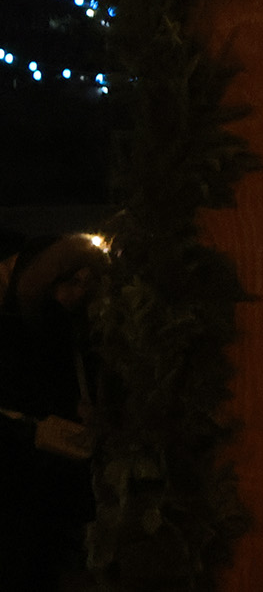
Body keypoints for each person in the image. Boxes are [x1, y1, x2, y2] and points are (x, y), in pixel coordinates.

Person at [0, 233, 107, 591]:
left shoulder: (61, 326)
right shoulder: (18, 321)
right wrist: (31, 432)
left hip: (46, 498)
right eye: (72, 280)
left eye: (87, 285)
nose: (78, 294)